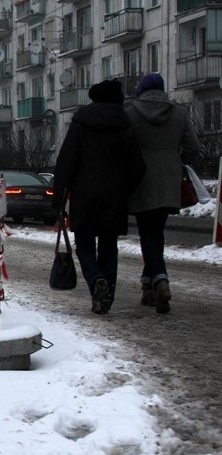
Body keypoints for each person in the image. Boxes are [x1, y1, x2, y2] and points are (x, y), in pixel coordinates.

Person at [52, 79, 146, 315]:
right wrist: (124, 187)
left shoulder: (81, 122)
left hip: (84, 195)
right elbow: (138, 166)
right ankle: (107, 295)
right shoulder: (126, 124)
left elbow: (66, 161)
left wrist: (58, 200)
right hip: (114, 196)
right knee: (108, 245)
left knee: (84, 243)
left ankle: (96, 281)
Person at [124, 72, 200, 314]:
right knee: (156, 232)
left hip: (142, 179)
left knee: (148, 233)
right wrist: (177, 163)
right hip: (170, 179)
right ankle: (148, 286)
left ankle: (159, 278)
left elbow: (124, 147)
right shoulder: (178, 112)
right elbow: (193, 147)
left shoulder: (131, 113)